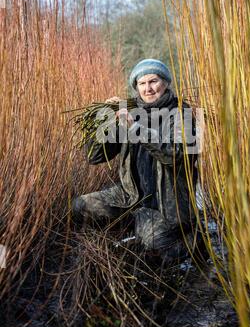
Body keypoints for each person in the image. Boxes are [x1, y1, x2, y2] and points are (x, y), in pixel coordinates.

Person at [72, 59, 205, 265]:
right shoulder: (129, 112)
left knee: (156, 250)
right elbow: (95, 157)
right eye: (141, 83)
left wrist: (135, 128)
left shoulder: (184, 114)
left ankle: (188, 240)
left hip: (166, 208)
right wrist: (105, 121)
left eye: (153, 81)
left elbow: (177, 156)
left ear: (166, 83)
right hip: (129, 198)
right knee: (81, 206)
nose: (148, 88)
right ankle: (132, 230)